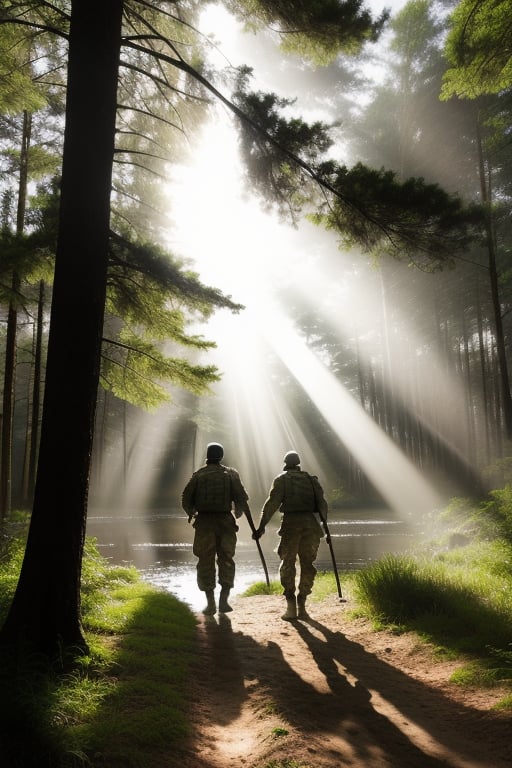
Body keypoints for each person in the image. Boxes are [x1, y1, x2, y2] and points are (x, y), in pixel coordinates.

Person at [253, 450, 328, 621]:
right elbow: (322, 504)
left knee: (288, 563)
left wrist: (261, 527)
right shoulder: (311, 480)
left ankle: (291, 606)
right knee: (308, 564)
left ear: (285, 463)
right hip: (311, 525)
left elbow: (271, 504)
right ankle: (302, 604)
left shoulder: (282, 479)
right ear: (299, 463)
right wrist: (324, 526)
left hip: (291, 525)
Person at [182, 442, 251, 615]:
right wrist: (239, 512)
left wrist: (192, 513)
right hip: (225, 522)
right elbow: (242, 497)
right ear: (221, 455)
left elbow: (185, 497)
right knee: (226, 559)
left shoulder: (198, 475)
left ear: (207, 455)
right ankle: (224, 601)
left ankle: (210, 603)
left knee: (205, 561)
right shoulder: (231, 474)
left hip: (204, 523)